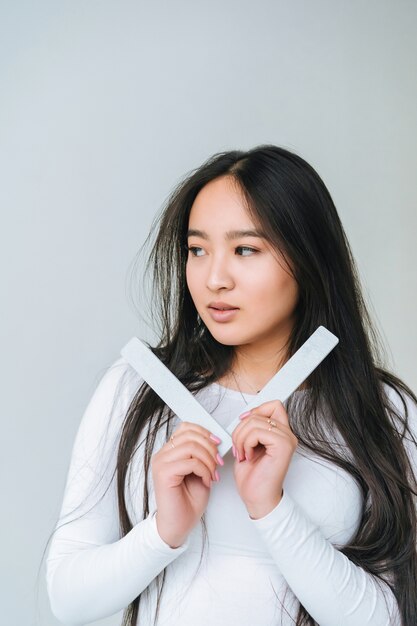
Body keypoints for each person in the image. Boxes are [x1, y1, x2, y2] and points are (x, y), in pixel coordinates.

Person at [46, 145, 417, 626]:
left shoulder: (383, 410)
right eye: (197, 250)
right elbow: (68, 599)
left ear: (308, 259)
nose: (214, 278)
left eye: (245, 249)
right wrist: (164, 531)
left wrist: (273, 509)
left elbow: (390, 618)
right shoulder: (137, 389)